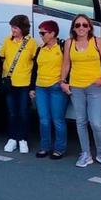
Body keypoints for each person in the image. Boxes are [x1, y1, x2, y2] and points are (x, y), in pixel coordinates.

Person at [60, 14, 101, 169]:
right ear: (73, 28)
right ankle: (85, 154)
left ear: (90, 27)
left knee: (96, 122)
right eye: (78, 25)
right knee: (81, 121)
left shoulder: (97, 41)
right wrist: (63, 81)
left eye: (85, 25)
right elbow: (66, 65)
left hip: (95, 87)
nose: (81, 28)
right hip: (76, 87)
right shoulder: (69, 43)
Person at [30, 20, 69, 159]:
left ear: (53, 33)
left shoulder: (63, 46)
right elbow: (35, 68)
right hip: (41, 87)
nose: (40, 35)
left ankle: (59, 148)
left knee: (57, 119)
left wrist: (65, 83)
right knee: (43, 119)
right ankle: (45, 147)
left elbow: (69, 66)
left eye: (43, 33)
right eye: (40, 32)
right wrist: (32, 87)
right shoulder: (40, 48)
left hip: (56, 87)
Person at [0, 15, 37, 154]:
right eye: (12, 27)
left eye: (15, 27)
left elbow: (35, 64)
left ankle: (23, 139)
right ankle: (12, 138)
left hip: (24, 83)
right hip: (9, 83)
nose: (13, 30)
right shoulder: (7, 41)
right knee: (12, 113)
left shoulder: (31, 43)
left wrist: (32, 86)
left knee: (23, 113)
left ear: (23, 28)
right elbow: (2, 56)